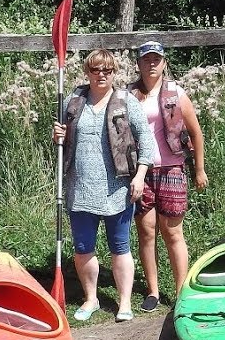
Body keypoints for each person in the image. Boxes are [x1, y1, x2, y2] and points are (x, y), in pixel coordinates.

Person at [53, 49, 159, 322]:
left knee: (120, 246)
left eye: (107, 71)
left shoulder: (126, 102)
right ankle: (91, 299)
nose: (101, 75)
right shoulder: (73, 103)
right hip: (79, 188)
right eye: (96, 70)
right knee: (83, 248)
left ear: (114, 73)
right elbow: (63, 141)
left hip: (117, 188)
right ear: (87, 72)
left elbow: (147, 142)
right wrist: (58, 136)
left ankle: (124, 303)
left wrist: (139, 176)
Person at [127, 41, 208, 312]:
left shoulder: (176, 93)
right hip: (140, 171)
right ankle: (152, 291)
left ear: (164, 63)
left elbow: (196, 133)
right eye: (146, 59)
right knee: (146, 232)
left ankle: (180, 290)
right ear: (138, 63)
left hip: (172, 168)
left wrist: (199, 168)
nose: (151, 63)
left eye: (156, 59)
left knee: (172, 231)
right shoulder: (128, 95)